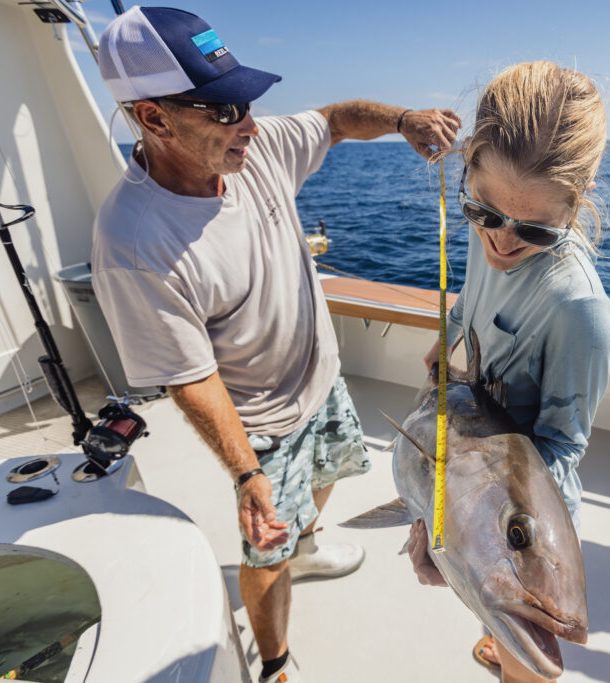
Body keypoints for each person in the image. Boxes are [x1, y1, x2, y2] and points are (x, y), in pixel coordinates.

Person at [90, 7, 460, 682]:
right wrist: (247, 473)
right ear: (152, 118)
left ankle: (309, 543)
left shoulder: (253, 149)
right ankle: (274, 662)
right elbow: (188, 375)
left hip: (323, 382)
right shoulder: (134, 241)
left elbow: (336, 119)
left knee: (330, 474)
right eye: (226, 110)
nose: (251, 126)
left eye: (248, 103)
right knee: (266, 550)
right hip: (262, 427)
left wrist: (404, 120)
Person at [405, 61, 610, 683]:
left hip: (522, 528)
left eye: (534, 230)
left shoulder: (578, 310)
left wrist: (464, 531)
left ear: (574, 206)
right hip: (479, 481)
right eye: (484, 212)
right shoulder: (495, 221)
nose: (500, 241)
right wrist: (446, 340)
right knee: (494, 629)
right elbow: (471, 299)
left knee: (531, 667)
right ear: (469, 170)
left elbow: (561, 446)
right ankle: (494, 644)